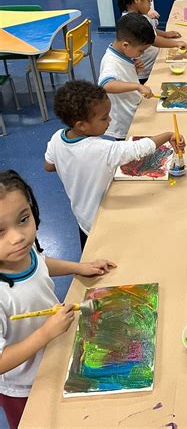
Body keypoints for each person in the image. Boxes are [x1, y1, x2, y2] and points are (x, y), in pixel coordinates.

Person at [0, 170, 116, 428]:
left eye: (23, 219)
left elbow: (41, 265)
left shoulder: (22, 252)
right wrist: (45, 334)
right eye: (0, 231)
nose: (17, 236)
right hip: (24, 387)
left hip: (53, 357)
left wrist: (78, 267)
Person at [44, 80, 185, 249]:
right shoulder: (99, 149)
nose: (110, 120)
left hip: (81, 216)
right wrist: (168, 135)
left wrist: (72, 166)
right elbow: (137, 149)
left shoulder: (57, 137)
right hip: (101, 217)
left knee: (87, 250)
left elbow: (49, 166)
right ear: (81, 125)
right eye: (104, 118)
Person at [118, 0, 187, 84]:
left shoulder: (139, 17)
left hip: (150, 66)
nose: (150, 3)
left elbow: (150, 31)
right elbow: (152, 39)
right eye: (149, 0)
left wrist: (165, 34)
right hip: (145, 73)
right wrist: (176, 44)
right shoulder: (131, 22)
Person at [98, 13, 155, 140]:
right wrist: (138, 86)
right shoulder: (111, 61)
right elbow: (106, 85)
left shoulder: (125, 55)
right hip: (124, 124)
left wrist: (134, 70)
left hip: (132, 112)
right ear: (125, 45)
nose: (142, 54)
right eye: (140, 50)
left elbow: (122, 77)